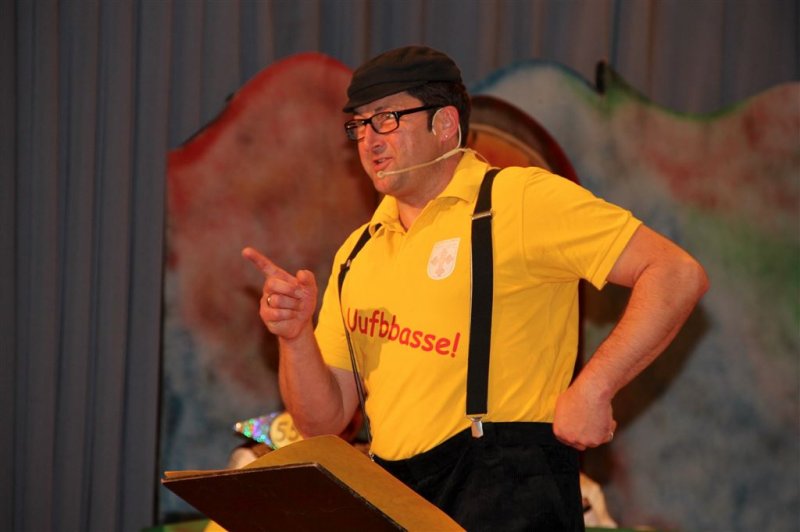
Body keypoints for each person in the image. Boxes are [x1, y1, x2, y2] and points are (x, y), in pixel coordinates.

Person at [243, 45, 708, 531]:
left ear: (445, 123)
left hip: (511, 494)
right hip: (396, 500)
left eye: (386, 119)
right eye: (359, 125)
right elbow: (323, 422)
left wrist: (595, 387)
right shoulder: (359, 251)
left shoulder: (521, 199)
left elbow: (675, 272)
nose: (369, 141)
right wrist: (295, 337)